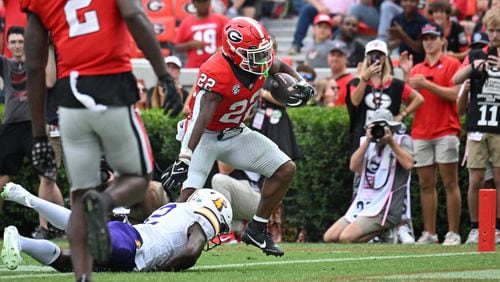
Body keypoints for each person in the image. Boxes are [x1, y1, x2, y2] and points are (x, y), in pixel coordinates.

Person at [21, 0, 181, 281]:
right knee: (140, 178)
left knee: (79, 195)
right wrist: (163, 76)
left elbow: (34, 66)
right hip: (111, 87)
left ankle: (83, 277)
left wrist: (37, 136)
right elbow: (134, 15)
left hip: (70, 99)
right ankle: (103, 202)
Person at [162, 17, 315, 257]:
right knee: (187, 195)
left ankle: (257, 229)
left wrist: (301, 82)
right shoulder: (216, 71)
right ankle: (158, 239)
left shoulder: (256, 59)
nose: (263, 60)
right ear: (235, 52)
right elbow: (199, 118)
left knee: (285, 168)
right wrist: (184, 157)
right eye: (255, 55)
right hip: (205, 136)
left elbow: (280, 66)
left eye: (264, 53)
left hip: (235, 132)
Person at [1, 185, 232, 272]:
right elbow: (192, 252)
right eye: (219, 225)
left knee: (71, 255)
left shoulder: (178, 207)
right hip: (133, 247)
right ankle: (22, 230)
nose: (215, 231)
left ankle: (24, 224)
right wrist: (163, 271)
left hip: (129, 236)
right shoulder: (202, 216)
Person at [0, 26, 64, 239]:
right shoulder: (5, 63)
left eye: (21, 41)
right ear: (8, 45)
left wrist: (51, 46)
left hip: (35, 126)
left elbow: (50, 81)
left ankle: (51, 227)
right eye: (13, 42)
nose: (17, 45)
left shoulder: (37, 63)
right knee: (1, 180)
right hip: (11, 127)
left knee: (47, 178)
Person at [402, 23, 462, 245]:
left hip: (446, 129)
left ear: (442, 41)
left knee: (450, 183)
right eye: (425, 38)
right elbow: (409, 99)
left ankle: (453, 233)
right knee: (426, 185)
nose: (428, 41)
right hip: (421, 132)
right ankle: (430, 233)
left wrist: (426, 84)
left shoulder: (452, 64)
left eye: (433, 37)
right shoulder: (417, 70)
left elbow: (454, 94)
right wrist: (407, 74)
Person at [323, 109, 415, 243]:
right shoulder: (367, 143)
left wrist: (391, 142)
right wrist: (367, 141)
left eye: (383, 127)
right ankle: (379, 232)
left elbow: (409, 164)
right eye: (376, 127)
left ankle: (384, 230)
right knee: (330, 237)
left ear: (391, 128)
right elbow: (353, 167)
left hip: (385, 207)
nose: (380, 131)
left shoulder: (401, 140)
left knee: (346, 238)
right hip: (365, 204)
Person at [452, 9, 500, 245]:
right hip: (478, 125)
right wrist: (475, 66)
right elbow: (456, 79)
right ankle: (475, 226)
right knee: (476, 179)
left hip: (499, 126)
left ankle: (497, 227)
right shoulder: (477, 53)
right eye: (491, 30)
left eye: (498, 30)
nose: (494, 35)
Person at [347, 39, 424, 155]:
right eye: (372, 55)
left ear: (385, 58)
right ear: (366, 58)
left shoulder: (395, 84)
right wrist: (364, 78)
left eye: (380, 55)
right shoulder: (356, 82)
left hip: (389, 137)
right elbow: (355, 101)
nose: (376, 58)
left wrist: (402, 114)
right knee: (361, 172)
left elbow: (419, 99)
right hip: (364, 137)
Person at [173, 0, 229, 68]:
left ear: (210, 2)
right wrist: (189, 45)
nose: (202, 5)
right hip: (194, 67)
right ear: (193, 3)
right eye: (199, 2)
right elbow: (175, 47)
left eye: (205, 1)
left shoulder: (221, 20)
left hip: (217, 65)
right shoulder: (186, 22)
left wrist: (223, 48)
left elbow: (234, 39)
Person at [388, 0, 429, 64]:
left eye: (412, 1)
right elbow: (390, 45)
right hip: (401, 61)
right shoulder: (396, 19)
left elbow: (419, 49)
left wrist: (402, 35)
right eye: (405, 1)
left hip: (419, 63)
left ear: (417, 2)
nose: (408, 3)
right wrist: (396, 41)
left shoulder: (424, 22)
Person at [326, 40, 354, 107]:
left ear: (346, 59)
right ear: (328, 58)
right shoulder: (325, 81)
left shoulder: (351, 82)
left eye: (339, 56)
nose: (335, 58)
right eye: (332, 55)